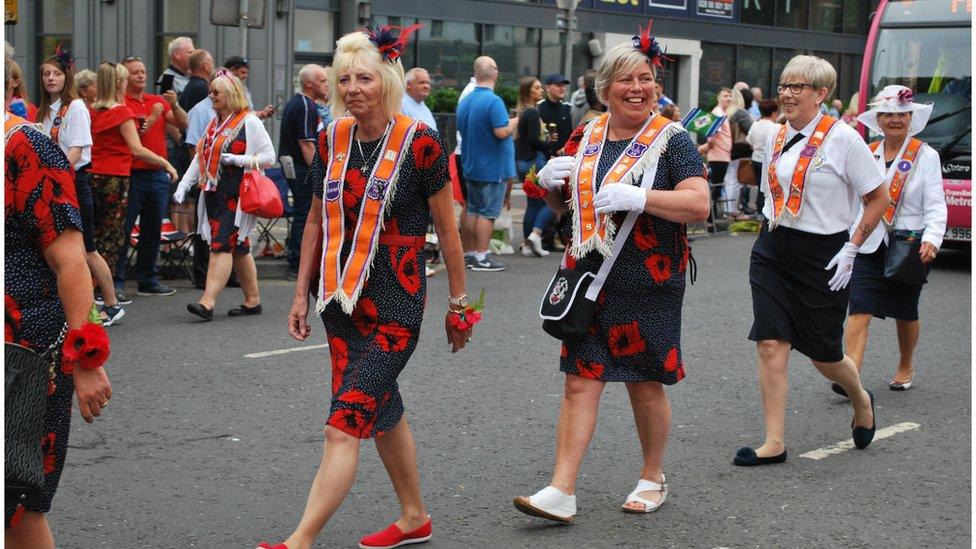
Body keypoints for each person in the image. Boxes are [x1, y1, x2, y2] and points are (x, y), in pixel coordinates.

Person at [261, 25, 470, 549]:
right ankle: (414, 517)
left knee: (344, 424)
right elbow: (312, 222)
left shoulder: (419, 141)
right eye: (345, 79)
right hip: (339, 301)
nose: (353, 88)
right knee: (383, 410)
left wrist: (460, 303)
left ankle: (299, 541)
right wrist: (298, 295)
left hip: (396, 303)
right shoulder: (333, 137)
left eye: (364, 78)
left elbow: (447, 229)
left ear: (387, 80)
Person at [512, 30, 710, 523]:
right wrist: (550, 185)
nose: (637, 87)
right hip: (589, 277)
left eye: (646, 78)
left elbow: (699, 204)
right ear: (605, 88)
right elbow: (567, 208)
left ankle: (652, 475)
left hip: (649, 280)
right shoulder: (588, 131)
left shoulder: (672, 138)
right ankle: (561, 490)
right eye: (626, 79)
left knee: (644, 383)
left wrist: (642, 198)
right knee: (579, 382)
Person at [735, 55, 889, 467]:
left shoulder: (844, 139)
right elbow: (771, 187)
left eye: (797, 87)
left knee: (824, 355)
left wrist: (852, 247)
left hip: (823, 254)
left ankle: (860, 397)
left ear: (821, 94)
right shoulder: (774, 135)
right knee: (770, 341)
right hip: (773, 248)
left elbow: (879, 199)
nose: (786, 93)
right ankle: (774, 442)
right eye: (783, 85)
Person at [4, 41, 112, 547]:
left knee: (19, 498)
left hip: (24, 354)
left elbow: (71, 261)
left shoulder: (27, 147)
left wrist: (87, 358)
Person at [844, 85, 947, 391]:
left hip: (910, 245)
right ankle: (851, 378)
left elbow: (936, 203)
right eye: (887, 114)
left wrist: (933, 238)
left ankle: (905, 363)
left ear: (911, 119)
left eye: (901, 115)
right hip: (868, 242)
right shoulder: (866, 152)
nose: (895, 120)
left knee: (905, 311)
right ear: (878, 120)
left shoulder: (926, 155)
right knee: (859, 309)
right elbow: (853, 201)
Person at [173, 70, 273, 321]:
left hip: (236, 195)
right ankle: (253, 300)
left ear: (232, 94)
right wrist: (185, 183)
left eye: (216, 91)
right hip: (214, 193)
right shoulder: (213, 123)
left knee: (221, 246)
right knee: (239, 247)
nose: (211, 95)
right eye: (211, 90)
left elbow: (268, 157)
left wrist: (238, 159)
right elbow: (200, 156)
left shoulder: (249, 121)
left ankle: (207, 302)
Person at [37, 47, 123, 325]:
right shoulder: (44, 111)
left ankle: (112, 304)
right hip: (53, 185)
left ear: (67, 77)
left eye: (57, 74)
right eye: (46, 74)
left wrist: (54, 174)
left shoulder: (75, 107)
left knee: (87, 249)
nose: (51, 79)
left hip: (74, 183)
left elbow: (76, 150)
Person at [89, 61, 178, 322]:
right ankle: (109, 301)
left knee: (96, 238)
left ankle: (97, 294)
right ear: (119, 83)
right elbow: (137, 149)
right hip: (116, 178)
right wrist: (165, 162)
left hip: (94, 177)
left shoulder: (92, 110)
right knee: (112, 240)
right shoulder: (121, 112)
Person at [117, 55, 188, 298]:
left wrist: (175, 104)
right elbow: (137, 132)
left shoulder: (156, 99)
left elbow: (184, 124)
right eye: (134, 71)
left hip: (157, 174)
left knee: (152, 228)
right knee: (123, 229)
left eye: (143, 70)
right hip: (131, 172)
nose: (140, 75)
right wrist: (156, 114)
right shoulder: (120, 103)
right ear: (124, 77)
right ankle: (116, 282)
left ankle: (147, 279)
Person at [456, 56, 517, 272]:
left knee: (473, 209)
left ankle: (471, 253)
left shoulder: (466, 101)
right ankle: (482, 256)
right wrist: (512, 123)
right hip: (493, 168)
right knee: (488, 213)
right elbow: (500, 131)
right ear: (494, 72)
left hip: (472, 165)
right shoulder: (493, 101)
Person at [279, 63, 329, 280]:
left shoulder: (297, 102)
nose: (326, 85)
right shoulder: (306, 105)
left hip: (293, 166)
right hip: (301, 168)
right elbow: (306, 143)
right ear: (309, 84)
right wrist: (319, 173)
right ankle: (297, 263)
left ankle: (297, 260)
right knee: (305, 214)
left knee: (302, 213)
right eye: (322, 81)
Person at [515, 76, 553, 258]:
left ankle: (527, 243)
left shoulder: (523, 112)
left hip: (523, 161)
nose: (541, 90)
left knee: (532, 203)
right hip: (533, 162)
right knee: (550, 199)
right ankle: (535, 234)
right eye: (537, 88)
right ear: (528, 91)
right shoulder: (531, 113)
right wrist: (549, 146)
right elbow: (533, 140)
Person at [698, 87, 733, 230]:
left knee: (716, 189)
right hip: (718, 156)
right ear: (718, 98)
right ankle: (710, 222)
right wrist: (704, 148)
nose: (729, 98)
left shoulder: (722, 113)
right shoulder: (717, 114)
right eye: (725, 95)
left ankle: (712, 221)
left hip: (722, 156)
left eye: (730, 95)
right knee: (715, 190)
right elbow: (711, 137)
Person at [746, 98, 779, 219]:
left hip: (755, 158)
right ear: (774, 112)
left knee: (759, 185)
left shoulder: (755, 124)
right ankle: (764, 212)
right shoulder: (775, 127)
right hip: (768, 161)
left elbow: (749, 141)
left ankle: (759, 211)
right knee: (766, 187)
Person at [731, 88, 756, 215]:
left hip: (729, 151)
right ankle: (734, 209)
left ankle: (731, 209)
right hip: (741, 151)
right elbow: (752, 130)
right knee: (737, 181)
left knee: (731, 181)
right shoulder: (740, 113)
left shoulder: (726, 112)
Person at [538, 72, 572, 156]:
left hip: (563, 156)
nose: (562, 88)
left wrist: (565, 148)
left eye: (563, 85)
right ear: (548, 88)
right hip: (542, 156)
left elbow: (572, 134)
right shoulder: (539, 107)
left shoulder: (568, 108)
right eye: (558, 85)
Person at [178, 49, 214, 113]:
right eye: (211, 62)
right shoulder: (201, 87)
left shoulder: (191, 85)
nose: (213, 65)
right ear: (205, 66)